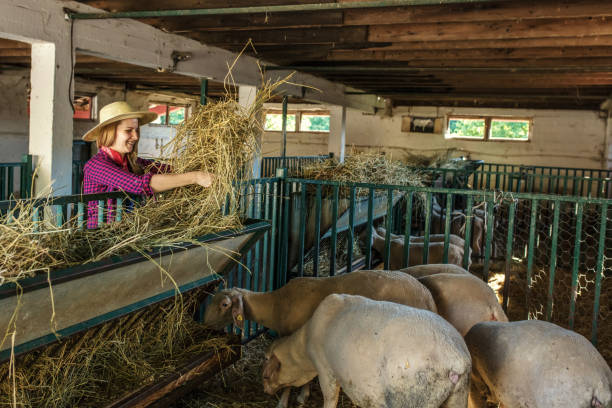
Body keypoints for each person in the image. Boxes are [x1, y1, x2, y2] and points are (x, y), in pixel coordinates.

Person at [82, 101, 213, 228]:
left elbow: (166, 169)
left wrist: (200, 164)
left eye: (136, 130)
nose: (135, 136)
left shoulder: (133, 162)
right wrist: (195, 177)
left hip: (128, 231)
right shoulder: (96, 166)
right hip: (101, 237)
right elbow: (140, 185)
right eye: (129, 130)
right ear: (109, 132)